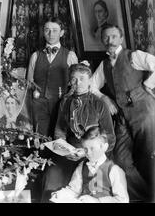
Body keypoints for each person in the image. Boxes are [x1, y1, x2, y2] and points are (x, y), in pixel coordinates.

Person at [90, 24, 155, 202]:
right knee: (120, 159)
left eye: (113, 36)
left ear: (121, 38)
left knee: (149, 158)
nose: (110, 41)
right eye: (106, 37)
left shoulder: (133, 56)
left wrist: (147, 86)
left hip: (145, 112)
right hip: (122, 116)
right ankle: (145, 196)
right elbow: (91, 86)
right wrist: (105, 98)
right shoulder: (104, 65)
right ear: (102, 40)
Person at [42, 62, 115, 200]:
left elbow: (110, 137)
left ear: (89, 81)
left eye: (82, 78)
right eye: (74, 79)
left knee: (94, 189)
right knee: (52, 175)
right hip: (70, 151)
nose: (78, 82)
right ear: (70, 81)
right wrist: (65, 150)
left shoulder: (99, 103)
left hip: (94, 154)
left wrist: (87, 152)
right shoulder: (65, 102)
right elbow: (59, 131)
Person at [27, 17, 78, 136]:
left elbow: (75, 84)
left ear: (62, 33)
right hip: (39, 105)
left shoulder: (70, 55)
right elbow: (29, 82)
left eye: (55, 30)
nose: (50, 34)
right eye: (47, 30)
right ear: (43, 32)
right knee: (40, 138)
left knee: (59, 139)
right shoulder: (35, 56)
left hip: (61, 104)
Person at [50, 126, 129, 203]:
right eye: (85, 149)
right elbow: (73, 190)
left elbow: (122, 200)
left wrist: (97, 201)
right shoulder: (82, 166)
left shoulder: (114, 170)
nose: (88, 153)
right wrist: (61, 195)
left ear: (104, 147)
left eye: (92, 148)